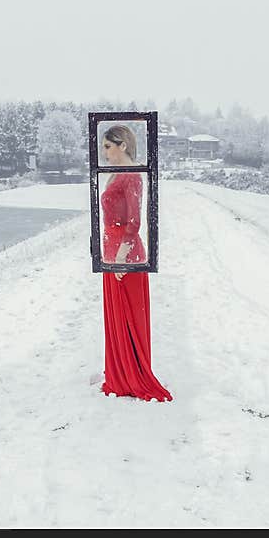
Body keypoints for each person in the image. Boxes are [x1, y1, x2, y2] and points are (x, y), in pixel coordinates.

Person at [98, 125, 172, 402]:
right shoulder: (114, 173)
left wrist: (121, 260)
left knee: (129, 317)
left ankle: (133, 376)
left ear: (123, 146)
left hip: (125, 256)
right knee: (116, 315)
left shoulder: (131, 176)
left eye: (107, 146)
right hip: (110, 251)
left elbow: (135, 221)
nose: (103, 152)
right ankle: (118, 373)